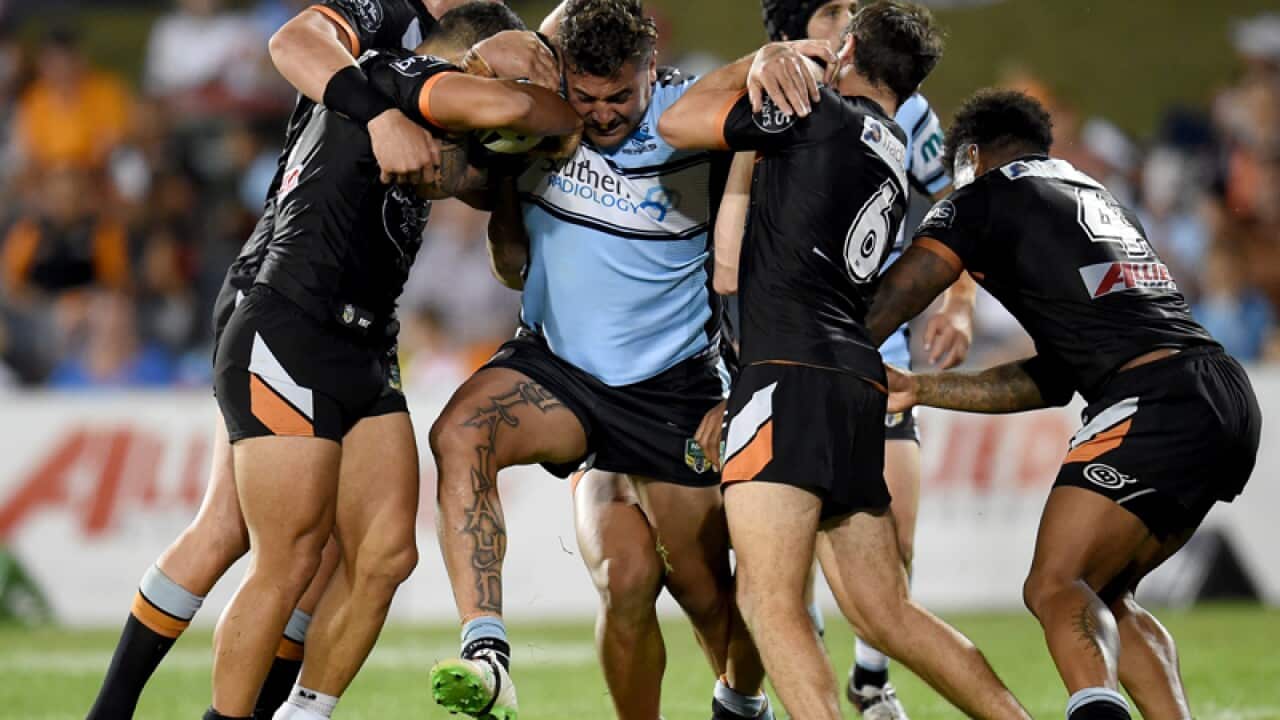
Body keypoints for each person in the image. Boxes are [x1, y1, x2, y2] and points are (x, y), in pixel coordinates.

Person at [84, 1, 555, 717]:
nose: (529, 96)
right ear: (475, 60)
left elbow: (495, 209)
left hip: (363, 338)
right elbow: (292, 39)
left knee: (379, 551)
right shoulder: (400, 56)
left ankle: (296, 712)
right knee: (281, 548)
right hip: (290, 316)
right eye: (521, 75)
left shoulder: (418, 82)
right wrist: (556, 112)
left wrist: (498, 168)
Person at [658, 3, 1031, 718]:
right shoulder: (893, 147)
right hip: (857, 380)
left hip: (786, 376)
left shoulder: (811, 117)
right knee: (885, 611)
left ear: (849, 48)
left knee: (769, 601)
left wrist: (758, 64)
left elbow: (675, 124)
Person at [427, 2, 778, 718]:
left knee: (708, 594)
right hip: (560, 374)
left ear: (652, 68)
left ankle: (741, 705)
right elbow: (502, 249)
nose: (603, 114)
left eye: (621, 96)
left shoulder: (697, 119)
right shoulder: (541, 117)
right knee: (616, 571)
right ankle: (486, 650)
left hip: (672, 389)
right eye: (586, 98)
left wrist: (742, 389)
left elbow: (765, 272)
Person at [867, 89, 1262, 720]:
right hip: (1221, 394)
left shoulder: (983, 195)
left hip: (1154, 398)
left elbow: (891, 301)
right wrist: (923, 388)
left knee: (1052, 584)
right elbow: (1053, 380)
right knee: (1106, 591)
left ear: (971, 155)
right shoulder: (1089, 196)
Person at [753, 4, 976, 713]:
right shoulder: (778, 90)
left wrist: (960, 300)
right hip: (785, 348)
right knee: (779, 571)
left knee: (891, 532)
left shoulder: (901, 105)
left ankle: (870, 681)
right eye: (834, 9)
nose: (849, 18)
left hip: (874, 346)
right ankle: (754, 690)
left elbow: (955, 194)